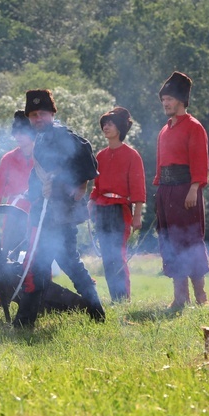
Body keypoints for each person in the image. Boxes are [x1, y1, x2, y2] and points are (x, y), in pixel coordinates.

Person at [13, 90, 105, 328]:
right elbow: (40, 173)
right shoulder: (41, 138)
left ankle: (24, 322)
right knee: (62, 265)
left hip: (60, 214)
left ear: (52, 113)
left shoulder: (62, 135)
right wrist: (31, 193)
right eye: (33, 114)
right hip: (46, 213)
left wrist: (81, 185)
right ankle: (97, 313)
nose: (38, 118)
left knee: (45, 265)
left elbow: (85, 153)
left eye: (42, 113)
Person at [154, 71, 209, 309]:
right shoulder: (164, 130)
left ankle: (201, 297)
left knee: (190, 241)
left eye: (169, 99)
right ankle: (180, 298)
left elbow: (200, 160)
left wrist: (194, 188)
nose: (165, 103)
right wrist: (159, 192)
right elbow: (160, 164)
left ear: (180, 100)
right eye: (163, 99)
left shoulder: (194, 127)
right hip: (166, 192)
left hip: (186, 190)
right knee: (170, 241)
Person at [88, 107, 146, 302]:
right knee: (106, 256)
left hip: (120, 210)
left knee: (117, 255)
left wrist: (137, 215)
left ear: (119, 128)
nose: (106, 127)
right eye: (104, 123)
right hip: (101, 209)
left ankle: (123, 299)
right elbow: (97, 187)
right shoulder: (101, 156)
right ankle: (115, 298)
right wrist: (90, 203)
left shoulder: (132, 155)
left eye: (110, 124)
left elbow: (138, 188)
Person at [0, 110, 35, 212]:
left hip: (36, 214)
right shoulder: (8, 159)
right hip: (13, 213)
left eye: (22, 132)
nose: (17, 136)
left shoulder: (43, 157)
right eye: (16, 132)